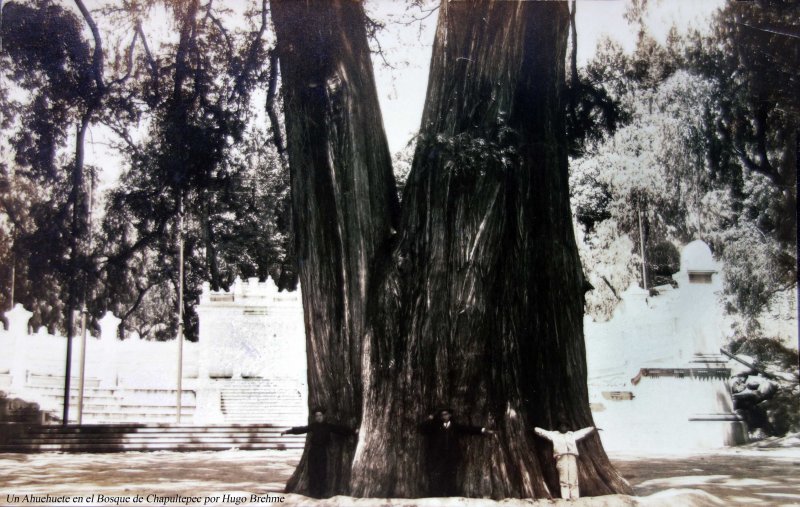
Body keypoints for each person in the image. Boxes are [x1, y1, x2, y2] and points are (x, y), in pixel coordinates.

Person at [281, 408, 357, 498]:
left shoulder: (328, 426)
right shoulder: (313, 426)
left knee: (322, 473)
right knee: (312, 473)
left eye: (320, 415)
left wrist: (353, 431)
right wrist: (288, 431)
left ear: (323, 416)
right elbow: (302, 429)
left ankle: (321, 493)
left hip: (322, 452)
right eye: (317, 416)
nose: (318, 417)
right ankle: (313, 493)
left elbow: (340, 430)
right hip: (313, 452)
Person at [419, 407, 494, 497]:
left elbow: (468, 429)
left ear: (450, 415)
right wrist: (429, 419)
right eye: (442, 415)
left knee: (451, 477)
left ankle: (452, 496)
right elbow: (421, 429)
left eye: (446, 414)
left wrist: (482, 430)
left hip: (452, 456)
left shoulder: (455, 427)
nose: (444, 416)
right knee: (438, 476)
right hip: (439, 457)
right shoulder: (436, 427)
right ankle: (437, 496)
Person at [533, 422, 596, 500]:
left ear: (568, 428)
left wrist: (592, 428)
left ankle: (574, 497)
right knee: (563, 478)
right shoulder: (554, 435)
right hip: (561, 457)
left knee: (573, 477)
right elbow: (543, 432)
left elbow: (582, 432)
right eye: (561, 426)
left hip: (572, 457)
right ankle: (565, 498)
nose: (563, 428)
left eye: (565, 426)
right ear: (558, 428)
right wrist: (535, 428)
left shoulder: (572, 435)